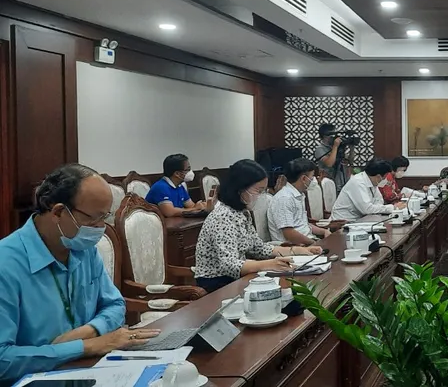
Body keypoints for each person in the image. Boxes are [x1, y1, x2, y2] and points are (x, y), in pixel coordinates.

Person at [0, 164, 161, 382]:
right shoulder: (6, 263)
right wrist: (85, 347)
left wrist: (90, 331)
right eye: (94, 218)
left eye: (105, 217)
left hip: (92, 371)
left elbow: (115, 304)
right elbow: (3, 360)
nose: (101, 227)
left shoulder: (84, 249)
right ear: (58, 212)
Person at [195, 159, 321, 293]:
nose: (261, 196)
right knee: (291, 296)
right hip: (217, 283)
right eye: (258, 190)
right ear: (240, 188)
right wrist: (269, 264)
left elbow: (258, 248)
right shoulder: (222, 216)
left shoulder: (242, 213)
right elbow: (229, 265)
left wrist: (296, 251)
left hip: (238, 277)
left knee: (295, 291)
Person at [268, 158, 333, 245]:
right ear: (304, 178)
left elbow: (303, 225)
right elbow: (289, 233)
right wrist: (314, 243)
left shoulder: (298, 195)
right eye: (312, 176)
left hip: (307, 241)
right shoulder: (284, 198)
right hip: (293, 246)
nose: (314, 180)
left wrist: (324, 231)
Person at [332, 159, 407, 220]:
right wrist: (392, 207)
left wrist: (381, 208)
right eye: (385, 177)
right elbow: (367, 209)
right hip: (344, 222)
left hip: (361, 220)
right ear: (378, 176)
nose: (385, 180)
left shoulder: (373, 182)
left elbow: (379, 202)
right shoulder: (358, 182)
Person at [145, 154, 212, 217]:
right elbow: (169, 212)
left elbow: (191, 206)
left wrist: (201, 206)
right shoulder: (160, 187)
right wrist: (195, 208)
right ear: (177, 174)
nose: (190, 172)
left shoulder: (180, 186)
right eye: (188, 169)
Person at [314, 123, 355, 193]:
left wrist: (352, 148)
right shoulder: (320, 149)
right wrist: (335, 146)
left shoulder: (336, 147)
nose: (334, 137)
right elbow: (329, 163)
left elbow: (350, 161)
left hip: (343, 181)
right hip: (329, 183)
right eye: (332, 134)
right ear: (325, 136)